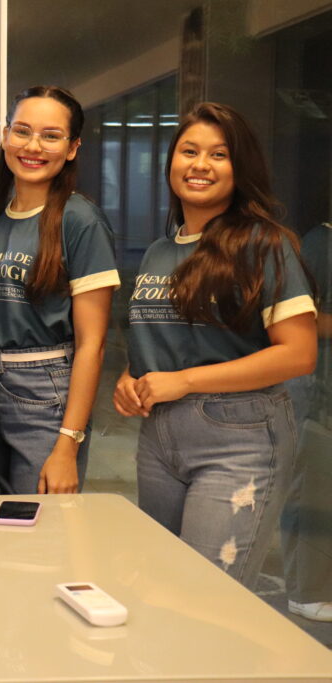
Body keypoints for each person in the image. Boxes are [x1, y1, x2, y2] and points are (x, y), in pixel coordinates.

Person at [113, 102, 317, 589]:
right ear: (171, 162)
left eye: (218, 154)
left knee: (206, 596)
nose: (200, 164)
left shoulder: (264, 244)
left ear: (239, 168)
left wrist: (185, 381)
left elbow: (298, 353)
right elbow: (160, 342)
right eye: (189, 151)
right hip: (159, 438)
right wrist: (128, 379)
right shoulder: (160, 251)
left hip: (238, 438)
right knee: (159, 588)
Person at [0, 86, 119, 495]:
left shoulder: (81, 220)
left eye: (51, 136)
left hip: (42, 389)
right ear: (5, 135)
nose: (33, 146)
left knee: (36, 524)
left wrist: (68, 444)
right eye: (22, 131)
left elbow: (92, 345)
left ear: (72, 148)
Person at [280, 221, 332, 620]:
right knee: (312, 482)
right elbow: (302, 320)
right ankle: (306, 590)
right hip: (315, 382)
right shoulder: (321, 243)